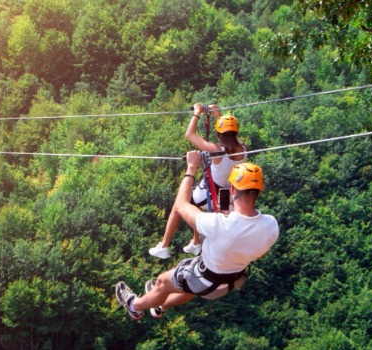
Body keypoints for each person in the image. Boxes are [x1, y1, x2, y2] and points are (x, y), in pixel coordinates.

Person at [115, 150, 279, 320]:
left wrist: (191, 168)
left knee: (163, 282)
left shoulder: (218, 224)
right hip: (234, 280)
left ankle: (134, 306)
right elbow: (259, 252)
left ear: (231, 188)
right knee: (187, 286)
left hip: (207, 280)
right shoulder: (271, 225)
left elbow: (180, 205)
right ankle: (160, 306)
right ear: (259, 191)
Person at [149, 103, 247, 259]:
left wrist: (197, 113)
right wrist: (218, 115)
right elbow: (230, 133)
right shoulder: (243, 148)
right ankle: (196, 243)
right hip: (227, 194)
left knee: (179, 205)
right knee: (195, 205)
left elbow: (189, 134)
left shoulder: (216, 150)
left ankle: (164, 246)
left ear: (218, 134)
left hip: (211, 191)